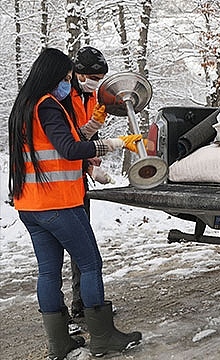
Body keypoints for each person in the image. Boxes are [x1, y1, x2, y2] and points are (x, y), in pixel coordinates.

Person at [8, 47, 144, 359]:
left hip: (31, 206)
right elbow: (69, 148)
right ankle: (103, 337)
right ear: (52, 76)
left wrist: (91, 161)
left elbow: (56, 150)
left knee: (49, 271)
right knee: (90, 263)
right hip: (58, 204)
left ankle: (59, 343)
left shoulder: (24, 108)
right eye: (66, 78)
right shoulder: (49, 107)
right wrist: (113, 143)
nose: (68, 84)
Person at [67, 46, 110, 321]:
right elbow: (67, 143)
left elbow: (83, 137)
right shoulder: (62, 98)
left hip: (77, 180)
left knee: (83, 249)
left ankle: (81, 303)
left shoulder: (92, 96)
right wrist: (95, 150)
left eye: (101, 77)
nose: (96, 82)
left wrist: (91, 157)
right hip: (62, 182)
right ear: (78, 73)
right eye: (93, 77)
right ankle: (82, 306)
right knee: (80, 251)